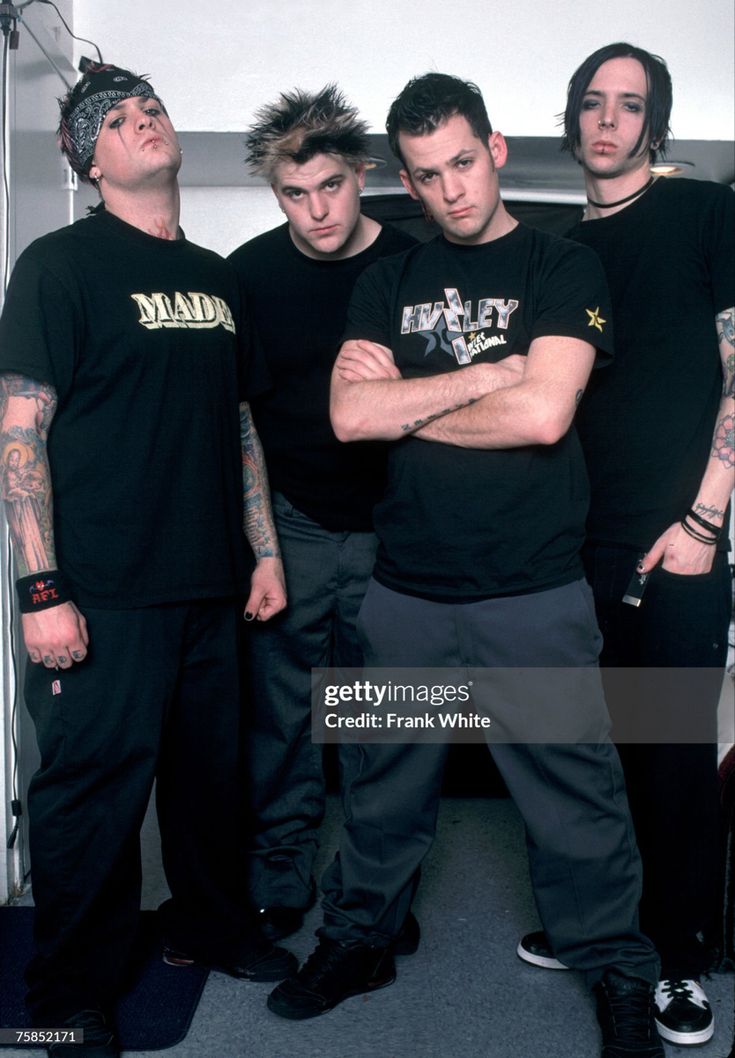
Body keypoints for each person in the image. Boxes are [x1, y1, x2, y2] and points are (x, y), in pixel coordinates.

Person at [266, 72, 665, 1058]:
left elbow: (545, 413)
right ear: (403, 180)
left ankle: (615, 965)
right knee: (381, 782)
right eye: (425, 175)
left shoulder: (562, 265)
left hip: (531, 592)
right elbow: (352, 415)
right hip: (402, 590)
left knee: (575, 795)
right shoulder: (388, 277)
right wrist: (492, 369)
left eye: (460, 162)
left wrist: (422, 389)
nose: (450, 189)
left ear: (493, 148)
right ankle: (357, 939)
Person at [0, 62, 294, 1058]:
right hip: (101, 591)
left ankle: (211, 926)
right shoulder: (59, 264)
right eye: (118, 122)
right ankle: (67, 993)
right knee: (91, 800)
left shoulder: (219, 277)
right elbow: (20, 434)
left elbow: (240, 424)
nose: (144, 124)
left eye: (151, 110)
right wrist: (42, 588)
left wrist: (263, 548)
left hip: (211, 583)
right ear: (85, 159)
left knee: (212, 784)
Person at [516, 43, 734, 1049]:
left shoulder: (702, 215)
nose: (609, 121)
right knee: (580, 750)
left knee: (671, 752)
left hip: (676, 542)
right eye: (594, 104)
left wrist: (704, 520)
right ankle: (599, 922)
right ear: (573, 123)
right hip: (569, 548)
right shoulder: (557, 248)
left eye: (630, 106)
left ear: (656, 123)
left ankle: (681, 956)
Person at [227, 85, 416, 942]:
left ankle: (377, 893)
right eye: (294, 196)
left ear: (360, 173)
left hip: (397, 528)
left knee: (388, 723)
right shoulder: (252, 275)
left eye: (330, 187)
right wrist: (262, 540)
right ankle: (280, 872)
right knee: (286, 717)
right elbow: (242, 420)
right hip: (295, 524)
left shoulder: (412, 265)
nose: (316, 211)